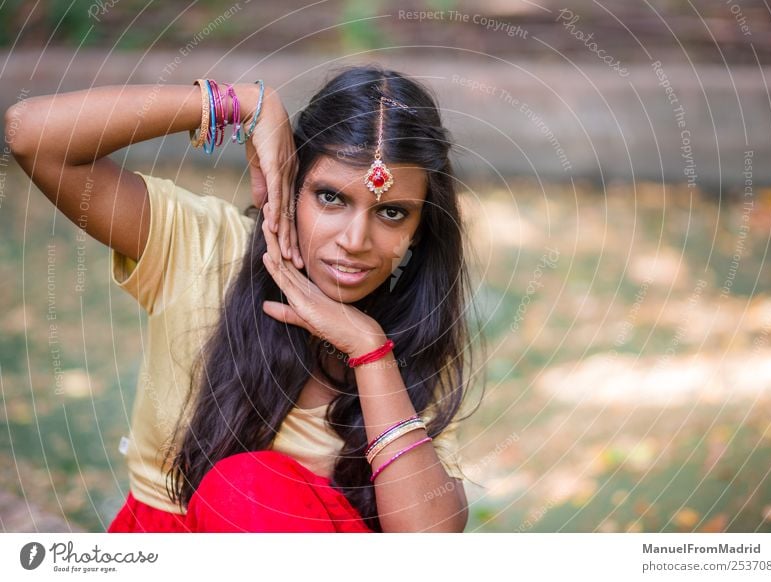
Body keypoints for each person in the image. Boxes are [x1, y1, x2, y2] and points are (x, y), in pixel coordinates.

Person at [6, 64, 483, 533]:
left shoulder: (413, 331)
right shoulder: (203, 247)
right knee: (245, 488)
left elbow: (427, 540)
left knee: (247, 486)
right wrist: (241, 104)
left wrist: (371, 353)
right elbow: (30, 135)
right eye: (331, 198)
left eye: (392, 212)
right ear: (289, 185)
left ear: (420, 229)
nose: (355, 239)